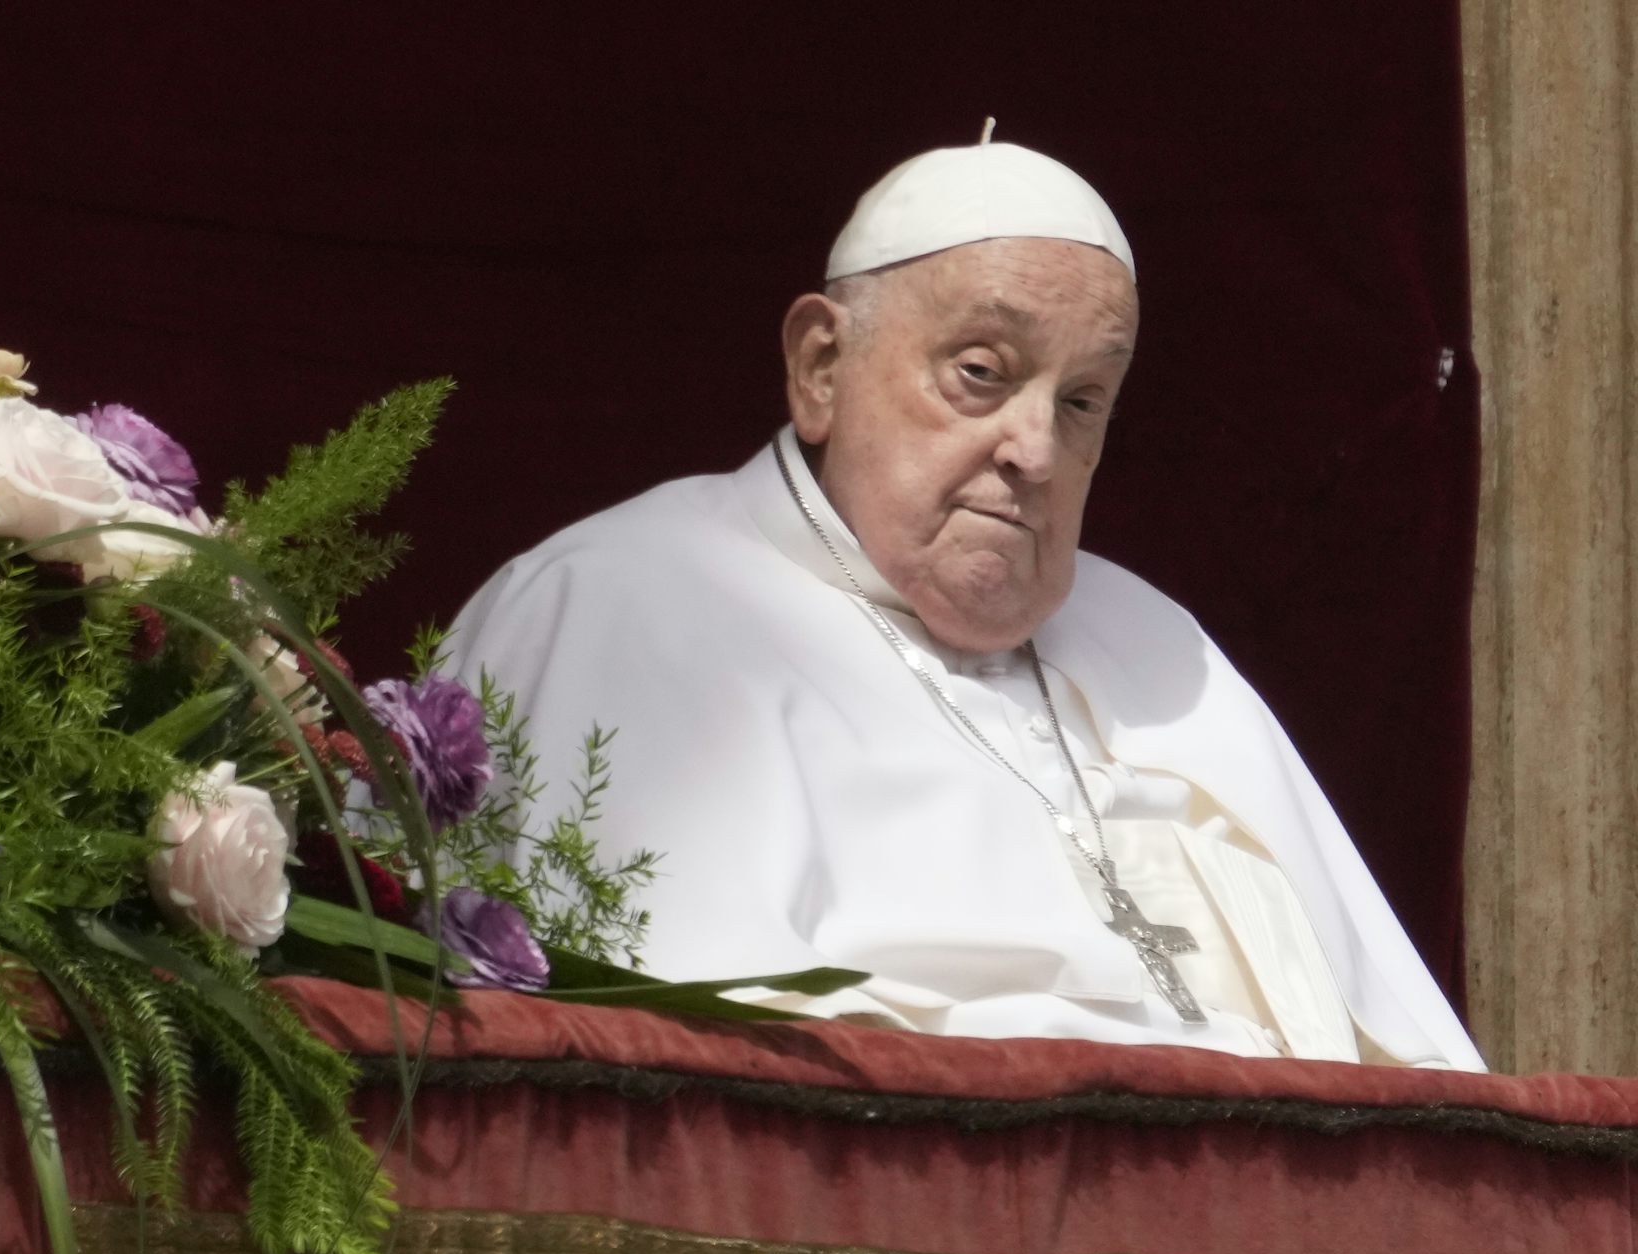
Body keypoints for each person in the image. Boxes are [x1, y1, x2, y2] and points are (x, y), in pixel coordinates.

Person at [446, 130, 1485, 1070]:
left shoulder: (1165, 652)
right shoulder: (618, 602)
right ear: (820, 368)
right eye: (983, 372)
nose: (1034, 450)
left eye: (1081, 402)